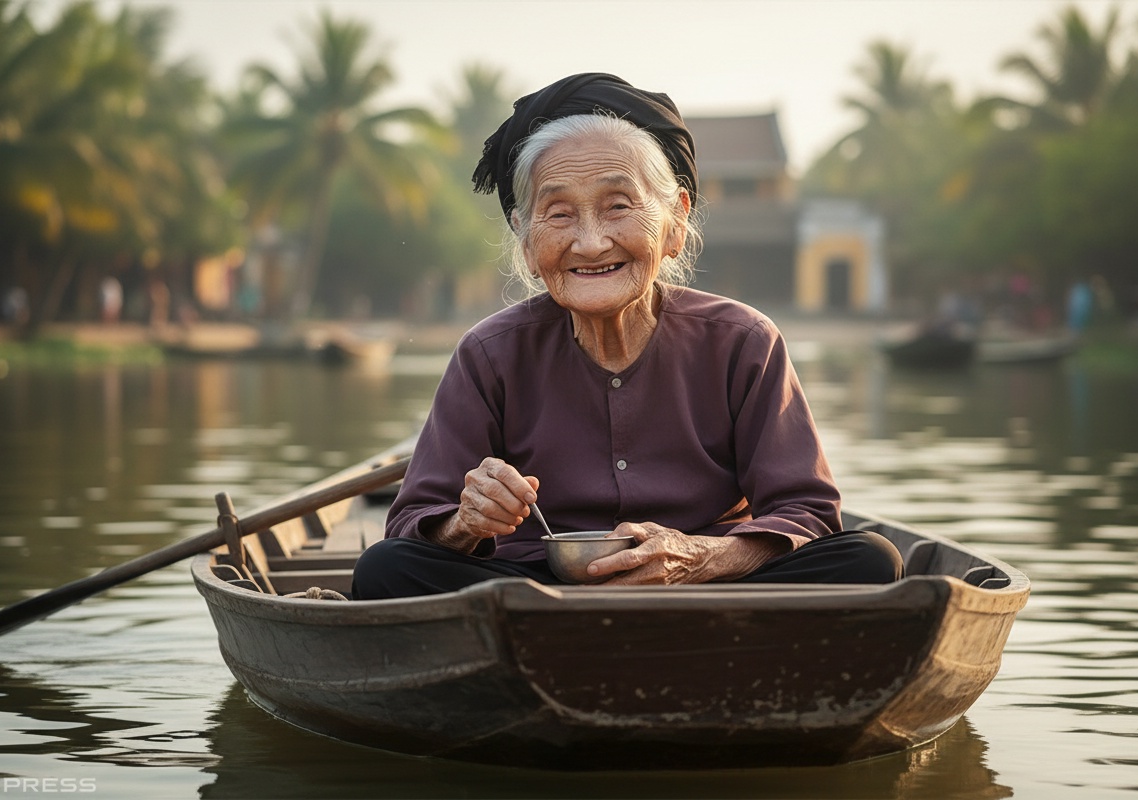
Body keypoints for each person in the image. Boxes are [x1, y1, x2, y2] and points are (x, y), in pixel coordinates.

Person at [352, 73, 902, 600]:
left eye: (618, 206)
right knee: (386, 569)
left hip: (709, 584)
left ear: (675, 222)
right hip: (532, 595)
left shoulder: (743, 342)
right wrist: (464, 523)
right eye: (559, 213)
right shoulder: (488, 354)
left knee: (869, 560)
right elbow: (409, 526)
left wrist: (698, 557)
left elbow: (808, 513)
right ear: (524, 238)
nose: (591, 243)